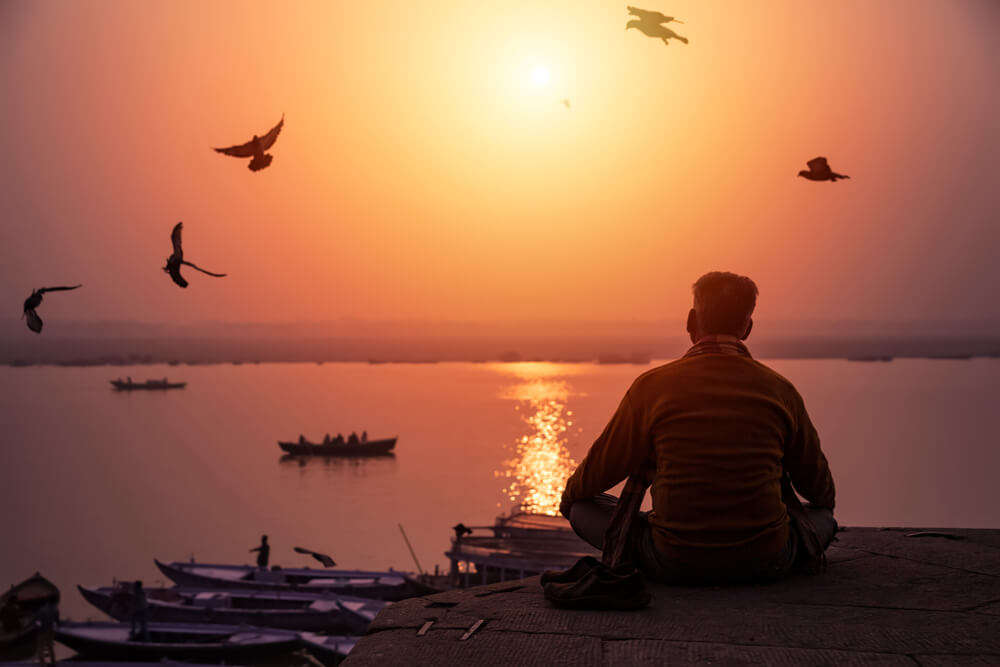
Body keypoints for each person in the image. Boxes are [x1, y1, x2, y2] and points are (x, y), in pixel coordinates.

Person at [560, 272, 836, 584]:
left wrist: (569, 501)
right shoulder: (781, 391)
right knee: (824, 518)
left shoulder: (651, 388)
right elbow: (821, 493)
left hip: (672, 560)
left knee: (581, 507)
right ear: (747, 328)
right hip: (768, 560)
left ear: (691, 321)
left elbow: (594, 475)